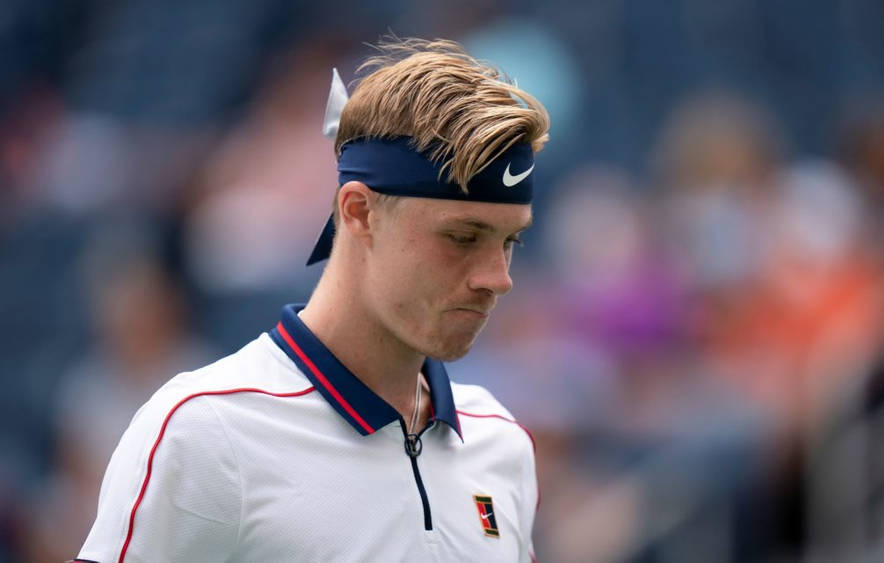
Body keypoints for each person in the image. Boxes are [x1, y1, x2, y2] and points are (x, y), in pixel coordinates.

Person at [73, 37, 549, 562]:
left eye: (510, 241)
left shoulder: (504, 445)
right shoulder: (203, 431)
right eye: (462, 236)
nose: (497, 278)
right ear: (360, 213)